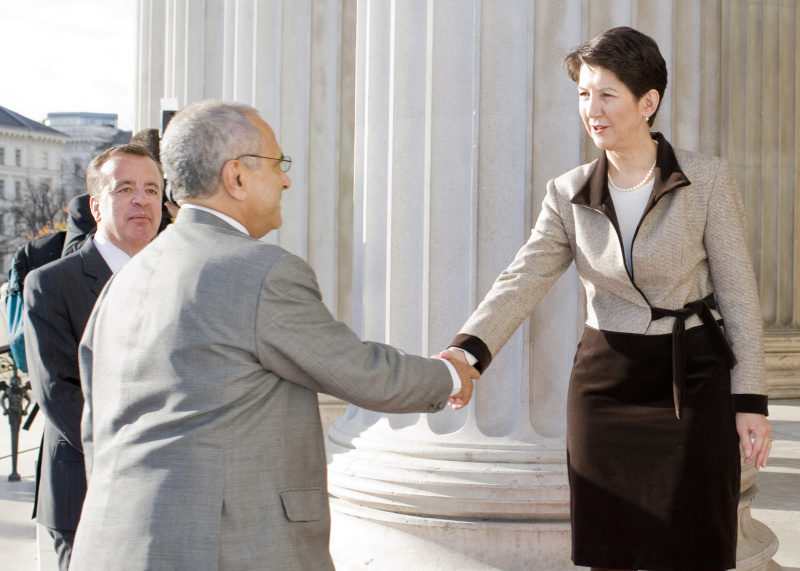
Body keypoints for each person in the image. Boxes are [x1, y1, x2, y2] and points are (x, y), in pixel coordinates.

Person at [69, 100, 479, 571]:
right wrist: (450, 374)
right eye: (277, 164)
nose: (286, 179)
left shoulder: (125, 279)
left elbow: (94, 427)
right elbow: (359, 371)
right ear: (236, 177)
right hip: (222, 549)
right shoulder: (259, 271)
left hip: (109, 544)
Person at [446, 27, 772, 571]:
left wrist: (751, 401)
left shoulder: (708, 179)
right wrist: (467, 352)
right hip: (606, 388)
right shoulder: (568, 192)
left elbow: (739, 294)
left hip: (692, 379)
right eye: (582, 93)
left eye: (606, 94)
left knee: (696, 548)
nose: (590, 109)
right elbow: (522, 278)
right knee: (612, 552)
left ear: (648, 103)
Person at [23, 144, 163, 571]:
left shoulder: (179, 276)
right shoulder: (50, 284)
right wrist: (138, 460)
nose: (142, 200)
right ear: (97, 207)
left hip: (166, 492)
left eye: (152, 189)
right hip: (87, 489)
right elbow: (59, 394)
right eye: (125, 189)